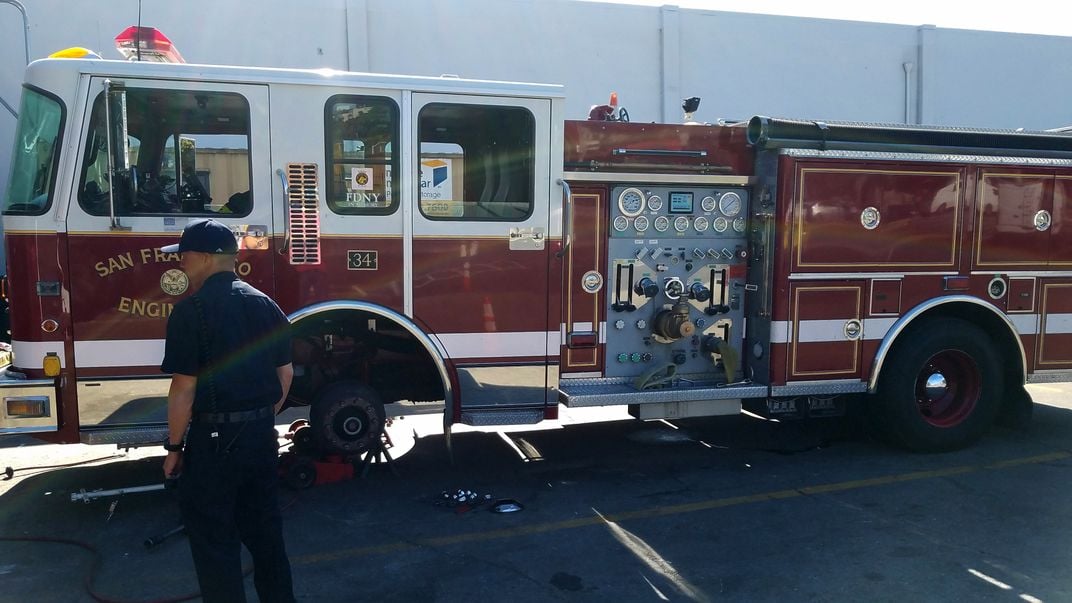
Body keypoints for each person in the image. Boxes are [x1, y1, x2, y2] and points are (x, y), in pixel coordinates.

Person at [160, 218, 296, 603]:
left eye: (184, 256)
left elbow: (183, 388)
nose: (180, 263)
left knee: (214, 544)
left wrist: (174, 448)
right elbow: (284, 375)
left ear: (204, 258)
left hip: (213, 444)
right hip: (259, 439)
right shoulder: (267, 305)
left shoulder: (190, 312)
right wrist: (260, 416)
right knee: (267, 537)